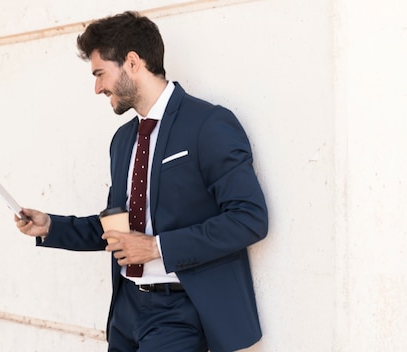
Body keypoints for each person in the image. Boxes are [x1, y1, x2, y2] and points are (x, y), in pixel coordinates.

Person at [15, 11, 268, 352]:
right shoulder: (123, 141)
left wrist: (156, 247)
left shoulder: (208, 124)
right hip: (126, 311)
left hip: (178, 312)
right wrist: (50, 227)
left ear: (132, 63)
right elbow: (117, 231)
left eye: (100, 73)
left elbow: (248, 219)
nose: (97, 87)